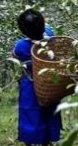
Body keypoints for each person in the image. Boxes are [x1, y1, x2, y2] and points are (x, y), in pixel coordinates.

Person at [13, 9, 61, 146]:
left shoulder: (21, 46)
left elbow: (14, 55)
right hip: (48, 85)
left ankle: (29, 141)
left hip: (30, 86)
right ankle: (47, 140)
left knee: (31, 114)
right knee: (48, 112)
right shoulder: (50, 39)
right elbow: (49, 29)